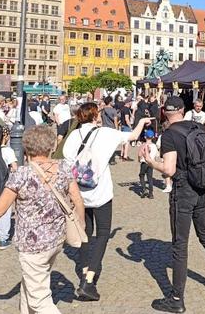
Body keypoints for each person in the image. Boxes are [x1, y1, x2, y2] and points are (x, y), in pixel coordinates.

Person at [0, 125, 85, 314]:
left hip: (32, 245)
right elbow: (77, 199)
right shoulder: (63, 167)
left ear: (26, 147)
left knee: (40, 301)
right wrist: (81, 224)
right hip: (56, 239)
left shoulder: (21, 174)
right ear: (52, 146)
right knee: (30, 287)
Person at [140, 96, 205, 313]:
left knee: (180, 244)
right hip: (202, 187)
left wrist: (151, 161)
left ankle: (176, 299)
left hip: (183, 191)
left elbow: (169, 169)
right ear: (183, 109)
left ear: (164, 112)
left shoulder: (170, 134)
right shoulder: (197, 125)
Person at [63, 103, 151, 301]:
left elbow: (66, 164)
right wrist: (142, 122)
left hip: (79, 194)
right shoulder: (105, 133)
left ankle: (84, 271)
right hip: (100, 193)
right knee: (102, 234)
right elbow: (132, 137)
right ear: (95, 117)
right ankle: (90, 279)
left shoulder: (73, 136)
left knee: (85, 232)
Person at [138, 129, 158, 199]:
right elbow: (156, 156)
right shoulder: (155, 146)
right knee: (150, 178)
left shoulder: (143, 145)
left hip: (144, 163)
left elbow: (140, 154)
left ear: (145, 137)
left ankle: (144, 189)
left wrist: (139, 159)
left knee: (141, 175)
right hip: (151, 163)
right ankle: (151, 194)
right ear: (153, 137)